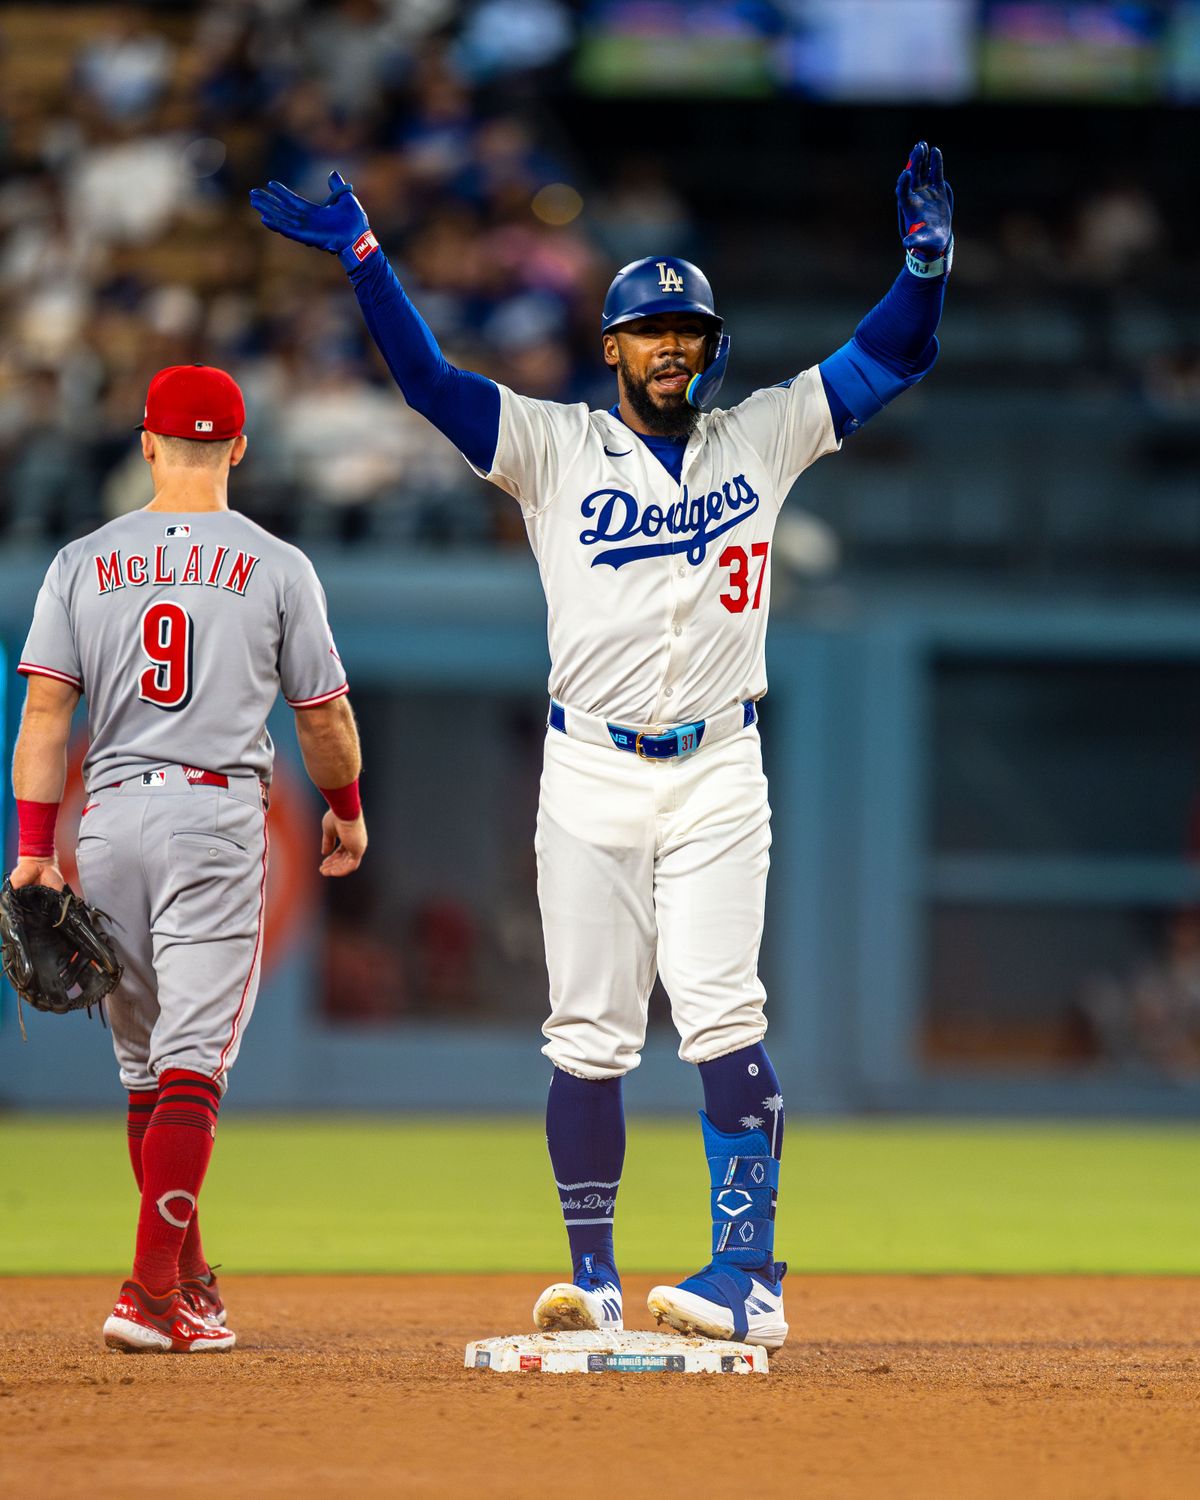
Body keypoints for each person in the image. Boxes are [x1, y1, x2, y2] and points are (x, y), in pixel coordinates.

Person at [251, 141, 953, 1351]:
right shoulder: (554, 447)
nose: (673, 344)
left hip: (721, 766)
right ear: (613, 347)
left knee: (724, 1013)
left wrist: (927, 266)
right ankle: (595, 1281)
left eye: (690, 328)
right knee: (587, 1032)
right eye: (651, 329)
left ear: (708, 345)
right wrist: (368, 259)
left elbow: (889, 353)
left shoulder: (764, 436)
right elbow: (426, 382)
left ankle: (751, 1277)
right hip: (586, 771)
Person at [10, 363, 368, 1352]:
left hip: (109, 816)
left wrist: (34, 852)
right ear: (241, 448)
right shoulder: (278, 563)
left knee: (146, 1069)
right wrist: (344, 808)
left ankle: (192, 1286)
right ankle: (147, 1293)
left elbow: (45, 716)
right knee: (193, 1064)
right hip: (213, 815)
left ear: (147, 443)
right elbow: (325, 715)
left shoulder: (83, 558)